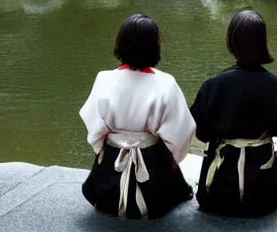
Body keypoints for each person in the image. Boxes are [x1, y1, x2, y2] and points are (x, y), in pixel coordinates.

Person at [80, 14, 196, 219]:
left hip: (111, 170)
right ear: (154, 47)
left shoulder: (104, 79)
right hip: (153, 171)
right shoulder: (166, 83)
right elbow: (182, 134)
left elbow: (94, 132)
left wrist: (106, 151)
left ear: (121, 44)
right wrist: (171, 161)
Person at [190, 10, 277, 217]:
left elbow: (201, 133)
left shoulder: (213, 85)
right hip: (264, 195)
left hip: (217, 193)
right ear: (262, 41)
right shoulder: (275, 86)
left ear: (231, 42)